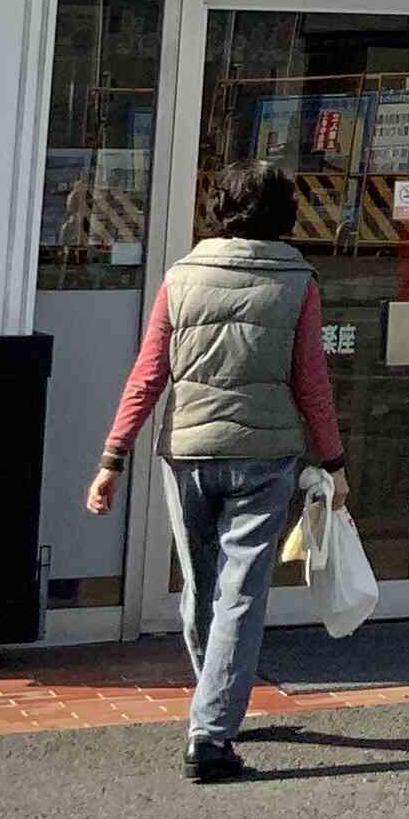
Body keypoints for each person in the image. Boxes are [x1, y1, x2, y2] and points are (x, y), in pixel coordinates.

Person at [88, 163, 345, 783]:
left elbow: (149, 374)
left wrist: (111, 459)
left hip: (190, 452)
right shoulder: (297, 282)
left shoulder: (181, 277)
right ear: (284, 215)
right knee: (241, 594)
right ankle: (211, 731)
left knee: (203, 588)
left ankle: (215, 709)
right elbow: (311, 383)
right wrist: (334, 461)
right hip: (265, 456)